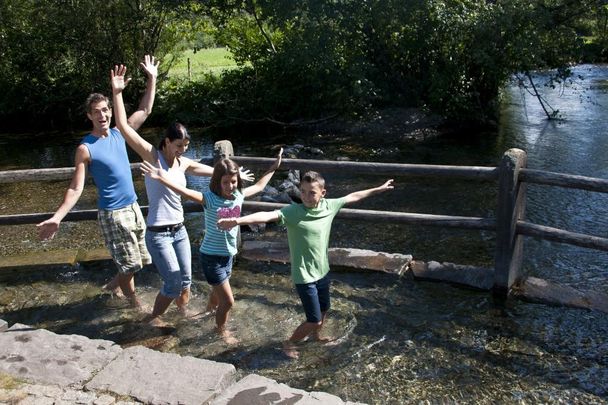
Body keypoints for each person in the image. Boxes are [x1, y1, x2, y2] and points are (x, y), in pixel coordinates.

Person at [110, 62, 253, 326]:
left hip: (180, 231)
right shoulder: (153, 157)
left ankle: (182, 316)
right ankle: (153, 318)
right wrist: (118, 93)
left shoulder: (183, 162)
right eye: (178, 146)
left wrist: (235, 177)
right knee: (174, 281)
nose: (182, 151)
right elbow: (123, 126)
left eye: (185, 146)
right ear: (166, 142)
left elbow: (215, 171)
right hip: (158, 233)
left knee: (186, 280)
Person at [217, 171, 394, 358]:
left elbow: (353, 196)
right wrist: (237, 220)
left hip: (323, 272)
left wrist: (379, 189)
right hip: (304, 276)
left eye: (312, 193)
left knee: (325, 308)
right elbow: (266, 215)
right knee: (314, 319)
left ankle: (316, 336)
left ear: (323, 193)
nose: (306, 197)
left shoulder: (329, 206)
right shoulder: (293, 212)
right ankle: (290, 342)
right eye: (303, 192)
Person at [37, 55, 159, 309]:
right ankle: (135, 306)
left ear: (111, 112)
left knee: (141, 259)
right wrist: (57, 217)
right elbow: (75, 187)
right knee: (131, 264)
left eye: (105, 110)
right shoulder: (85, 148)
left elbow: (145, 110)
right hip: (113, 214)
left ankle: (110, 288)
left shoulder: (119, 133)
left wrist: (152, 79)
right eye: (97, 112)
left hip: (133, 207)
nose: (102, 115)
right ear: (89, 116)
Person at [141, 148, 283, 344]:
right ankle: (221, 331)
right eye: (225, 182)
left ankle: (207, 314)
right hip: (211, 258)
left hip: (228, 256)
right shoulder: (209, 199)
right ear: (217, 181)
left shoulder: (239, 195)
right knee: (228, 301)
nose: (230, 186)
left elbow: (259, 186)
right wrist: (161, 178)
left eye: (233, 181)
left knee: (217, 298)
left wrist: (273, 167)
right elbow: (184, 191)